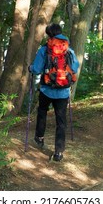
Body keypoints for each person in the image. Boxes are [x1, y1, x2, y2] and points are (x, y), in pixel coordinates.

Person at [28, 23, 80, 161]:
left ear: (49, 34)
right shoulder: (68, 49)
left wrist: (31, 68)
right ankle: (59, 152)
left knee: (42, 112)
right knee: (61, 121)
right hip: (63, 91)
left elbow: (37, 69)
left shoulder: (44, 49)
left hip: (46, 89)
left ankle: (39, 138)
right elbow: (75, 67)